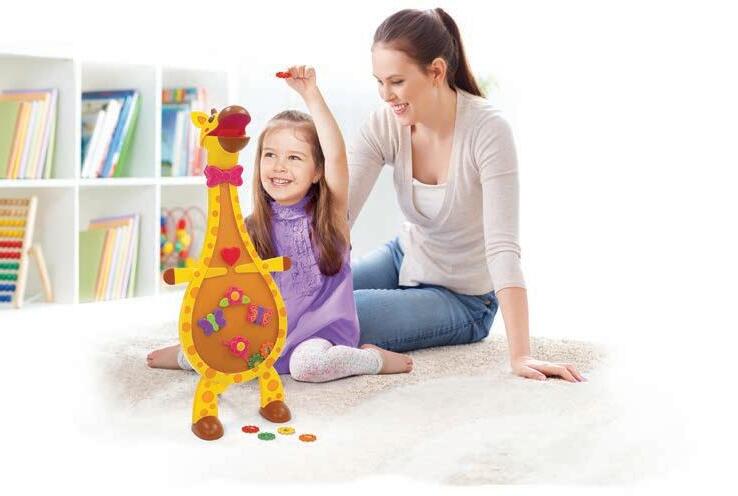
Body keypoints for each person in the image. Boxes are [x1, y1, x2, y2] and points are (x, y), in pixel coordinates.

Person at [349, 8, 585, 382]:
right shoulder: (386, 123)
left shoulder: (487, 130)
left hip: (464, 299)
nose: (385, 95)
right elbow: (339, 215)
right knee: (308, 299)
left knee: (343, 313)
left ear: (436, 72)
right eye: (379, 81)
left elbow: (502, 248)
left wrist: (521, 355)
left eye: (396, 81)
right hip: (405, 256)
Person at [148, 65, 413, 382]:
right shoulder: (251, 227)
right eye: (270, 155)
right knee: (222, 352)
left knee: (307, 367)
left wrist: (311, 95)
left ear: (317, 172)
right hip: (266, 331)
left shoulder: (330, 217)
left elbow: (336, 156)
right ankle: (187, 354)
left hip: (321, 335)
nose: (279, 167)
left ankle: (372, 359)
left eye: (294, 158)